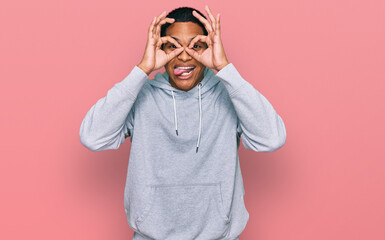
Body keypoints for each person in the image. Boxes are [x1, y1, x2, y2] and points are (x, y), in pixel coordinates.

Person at [79, 5, 286, 240]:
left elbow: (272, 138)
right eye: (173, 46)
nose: (185, 56)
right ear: (160, 47)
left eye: (196, 46)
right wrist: (142, 69)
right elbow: (93, 137)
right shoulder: (140, 96)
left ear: (209, 47)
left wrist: (225, 69)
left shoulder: (229, 95)